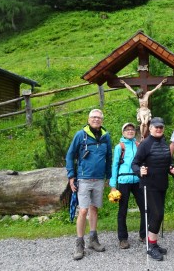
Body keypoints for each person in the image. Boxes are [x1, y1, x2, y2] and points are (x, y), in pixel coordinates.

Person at [65, 109, 112, 260]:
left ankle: (93, 239)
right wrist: (71, 176)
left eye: (99, 117)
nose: (96, 119)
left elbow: (109, 158)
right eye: (93, 117)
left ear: (102, 120)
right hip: (84, 179)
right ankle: (79, 244)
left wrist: (109, 177)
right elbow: (70, 156)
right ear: (88, 119)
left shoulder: (106, 136)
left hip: (99, 179)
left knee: (94, 209)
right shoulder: (81, 135)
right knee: (83, 210)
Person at [131, 117, 174, 261]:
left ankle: (154, 243)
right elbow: (135, 164)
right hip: (149, 185)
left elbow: (168, 160)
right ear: (150, 128)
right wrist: (140, 171)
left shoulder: (164, 143)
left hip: (162, 184)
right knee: (157, 214)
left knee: (158, 215)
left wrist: (171, 168)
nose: (158, 129)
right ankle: (150, 247)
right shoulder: (145, 144)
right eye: (156, 127)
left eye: (161, 127)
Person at [109, 122, 146, 249]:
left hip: (137, 180)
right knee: (122, 210)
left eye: (132, 129)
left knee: (144, 208)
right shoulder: (120, 147)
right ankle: (123, 238)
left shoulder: (138, 145)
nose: (130, 131)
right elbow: (114, 166)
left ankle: (143, 234)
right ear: (123, 132)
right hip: (123, 181)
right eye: (127, 130)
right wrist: (113, 185)